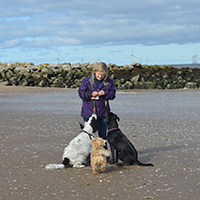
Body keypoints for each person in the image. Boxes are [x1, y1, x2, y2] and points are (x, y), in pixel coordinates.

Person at [78, 62, 116, 149]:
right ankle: (88, 156)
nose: (100, 76)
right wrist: (91, 94)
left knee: (102, 135)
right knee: (88, 136)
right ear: (94, 72)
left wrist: (105, 93)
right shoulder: (86, 80)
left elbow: (112, 95)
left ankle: (103, 154)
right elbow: (81, 93)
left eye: (102, 75)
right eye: (98, 74)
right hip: (88, 112)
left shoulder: (109, 82)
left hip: (103, 113)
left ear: (106, 74)